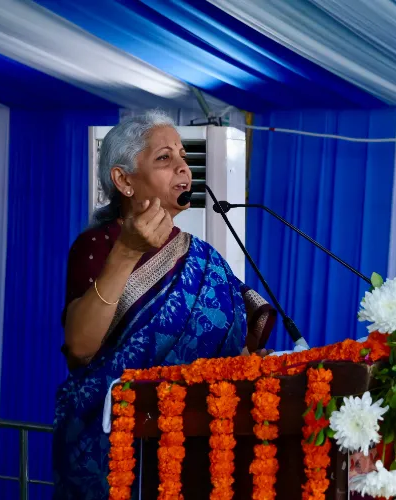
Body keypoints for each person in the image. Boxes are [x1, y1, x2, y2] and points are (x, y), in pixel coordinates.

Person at [52, 111, 276, 499]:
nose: (183, 168)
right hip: (126, 451)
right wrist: (126, 253)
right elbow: (80, 348)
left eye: (183, 158)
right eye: (164, 158)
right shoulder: (97, 248)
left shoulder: (204, 258)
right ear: (123, 180)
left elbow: (242, 337)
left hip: (200, 447)